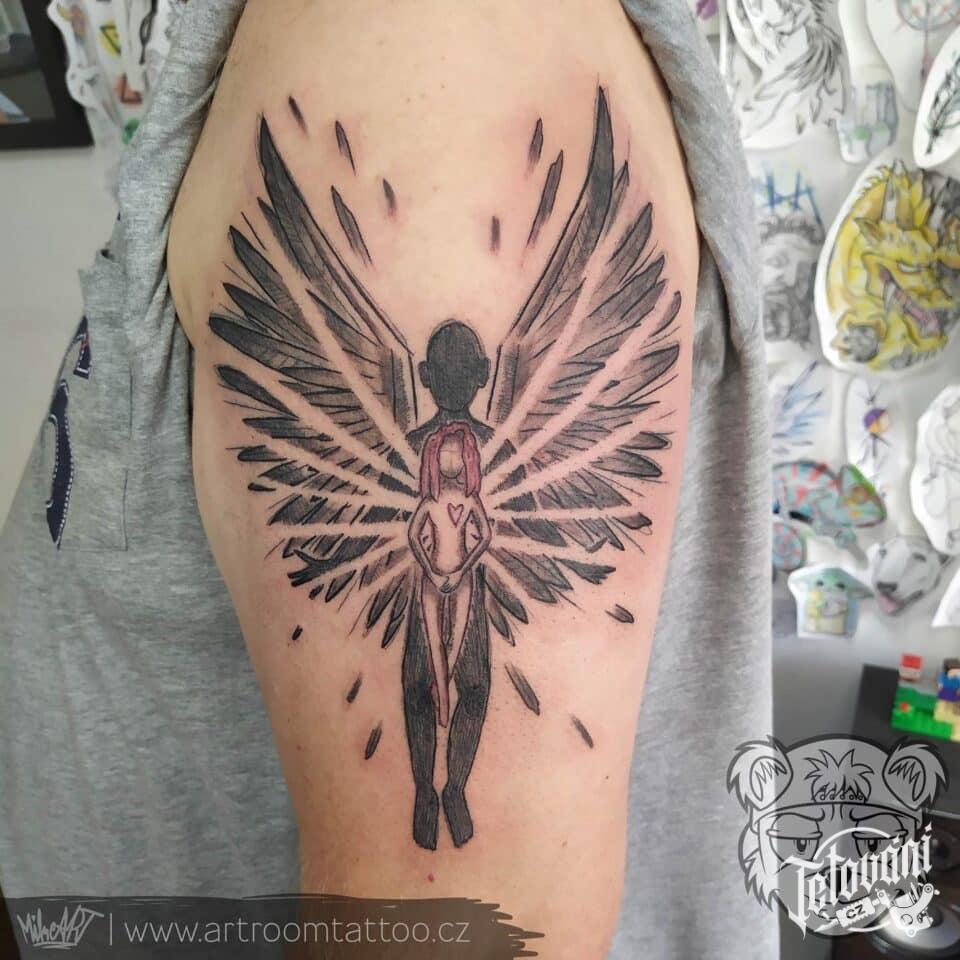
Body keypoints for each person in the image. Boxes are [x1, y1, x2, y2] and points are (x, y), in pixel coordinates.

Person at [0, 3, 777, 958]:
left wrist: (459, 534)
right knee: (436, 682)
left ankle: (443, 792)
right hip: (435, 568)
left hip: (453, 577)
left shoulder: (409, 42)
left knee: (456, 681)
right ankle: (433, 788)